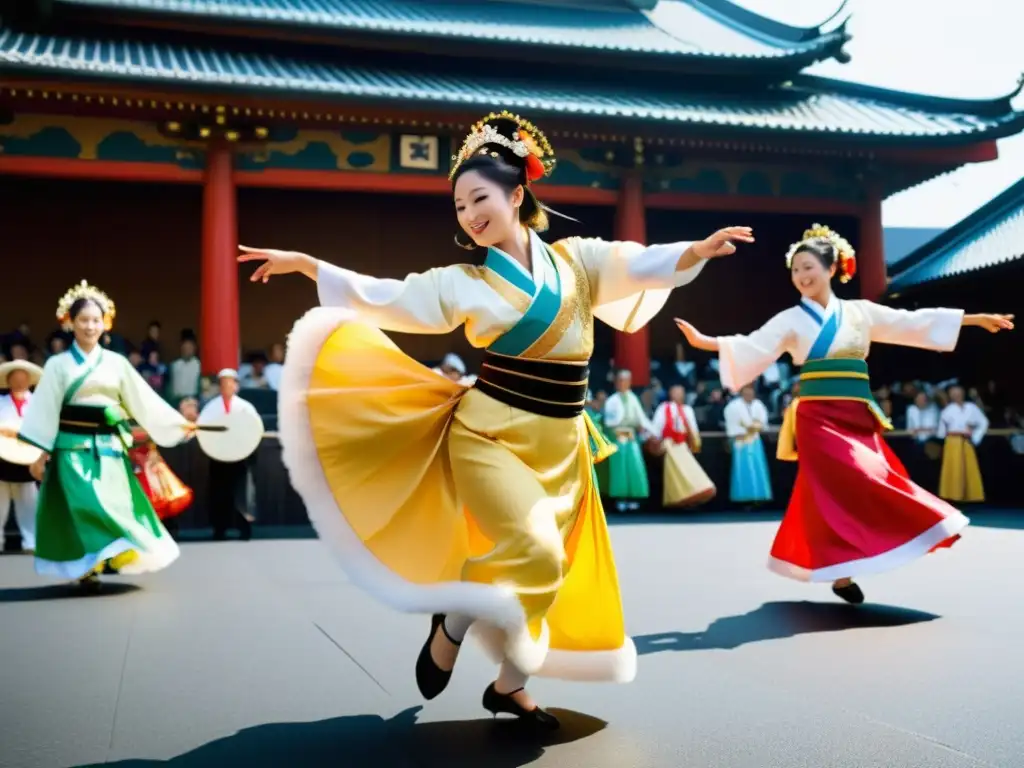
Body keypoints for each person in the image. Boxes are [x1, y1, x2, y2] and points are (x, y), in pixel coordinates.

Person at [237, 109, 753, 726]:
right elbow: (390, 296)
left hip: (563, 446)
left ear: (516, 193)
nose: (469, 214)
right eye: (458, 206)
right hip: (488, 435)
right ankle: (453, 620)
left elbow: (635, 264)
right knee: (532, 553)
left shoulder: (580, 263)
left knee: (552, 571)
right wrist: (311, 266)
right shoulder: (464, 281)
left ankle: (509, 685)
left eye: (478, 197)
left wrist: (695, 251)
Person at [675, 224, 1013, 604]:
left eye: (808, 268)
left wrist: (972, 319)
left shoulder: (860, 313)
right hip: (817, 417)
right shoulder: (790, 320)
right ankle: (844, 567)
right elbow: (755, 345)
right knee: (847, 479)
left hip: (855, 415)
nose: (802, 276)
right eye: (796, 270)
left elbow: (911, 323)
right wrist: (705, 342)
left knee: (867, 478)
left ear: (831, 268)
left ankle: (866, 557)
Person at [16, 281, 196, 592]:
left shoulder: (117, 364)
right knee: (86, 505)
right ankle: (88, 567)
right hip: (71, 449)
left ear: (105, 323)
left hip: (111, 448)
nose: (90, 326)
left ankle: (108, 557)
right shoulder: (58, 365)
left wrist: (177, 423)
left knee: (115, 505)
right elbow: (45, 410)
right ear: (70, 323)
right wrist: (39, 455)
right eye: (83, 320)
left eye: (96, 320)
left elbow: (144, 400)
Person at [200, 369, 259, 541]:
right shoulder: (211, 407)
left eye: (230, 382)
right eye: (223, 383)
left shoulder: (245, 408)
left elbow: (253, 429)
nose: (227, 386)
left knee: (242, 493)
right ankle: (220, 529)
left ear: (236, 385)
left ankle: (244, 528)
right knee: (219, 493)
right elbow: (204, 428)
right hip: (218, 456)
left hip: (240, 457)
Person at [0, 360, 43, 552]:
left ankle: (31, 542)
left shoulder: (38, 404)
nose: (19, 382)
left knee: (29, 501)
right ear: (8, 381)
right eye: (15, 378)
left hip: (29, 458)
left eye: (23, 379)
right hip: (2, 457)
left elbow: (43, 430)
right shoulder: (0, 403)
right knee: (0, 501)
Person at [650, 384, 715, 507]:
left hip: (683, 444)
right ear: (670, 393)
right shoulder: (664, 408)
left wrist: (694, 440)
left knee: (690, 468)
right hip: (669, 444)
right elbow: (656, 428)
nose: (678, 395)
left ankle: (695, 494)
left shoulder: (687, 409)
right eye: (675, 392)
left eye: (680, 392)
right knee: (676, 469)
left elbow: (693, 429)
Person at [604, 369, 656, 512]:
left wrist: (652, 431)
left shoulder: (633, 398)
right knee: (620, 468)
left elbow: (641, 419)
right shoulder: (612, 400)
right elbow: (609, 422)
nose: (623, 383)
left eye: (625, 381)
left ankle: (634, 498)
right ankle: (620, 499)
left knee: (634, 466)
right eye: (620, 380)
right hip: (618, 436)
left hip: (631, 436)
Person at [937, 385, 989, 503]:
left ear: (963, 394)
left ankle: (969, 496)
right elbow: (941, 432)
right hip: (952, 441)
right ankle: (953, 496)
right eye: (953, 393)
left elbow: (983, 422)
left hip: (966, 440)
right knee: (954, 468)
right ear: (950, 395)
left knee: (968, 468)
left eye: (958, 393)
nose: (956, 395)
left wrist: (975, 435)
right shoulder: (947, 410)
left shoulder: (971, 407)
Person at [722, 384, 772, 506]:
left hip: (755, 440)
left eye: (751, 391)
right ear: (741, 392)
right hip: (741, 441)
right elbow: (732, 424)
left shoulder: (758, 405)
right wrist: (740, 432)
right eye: (746, 391)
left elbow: (763, 422)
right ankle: (743, 498)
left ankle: (759, 496)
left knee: (757, 467)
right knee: (742, 468)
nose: (749, 394)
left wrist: (756, 427)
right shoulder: (733, 406)